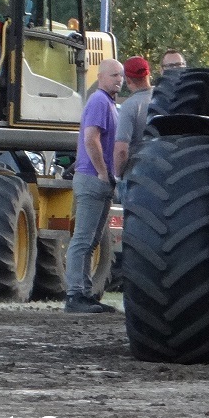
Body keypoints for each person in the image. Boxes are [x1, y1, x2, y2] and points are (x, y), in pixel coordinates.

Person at [64, 57, 123, 314]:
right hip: (92, 178)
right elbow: (91, 139)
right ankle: (74, 295)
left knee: (92, 241)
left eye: (121, 75)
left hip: (99, 179)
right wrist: (101, 171)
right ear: (100, 77)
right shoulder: (99, 101)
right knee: (83, 239)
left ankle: (85, 294)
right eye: (114, 75)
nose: (119, 79)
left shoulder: (109, 103)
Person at [113, 56, 153, 178]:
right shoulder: (164, 99)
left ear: (128, 79)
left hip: (138, 174)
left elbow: (121, 150)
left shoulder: (129, 106)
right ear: (149, 74)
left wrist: (118, 176)